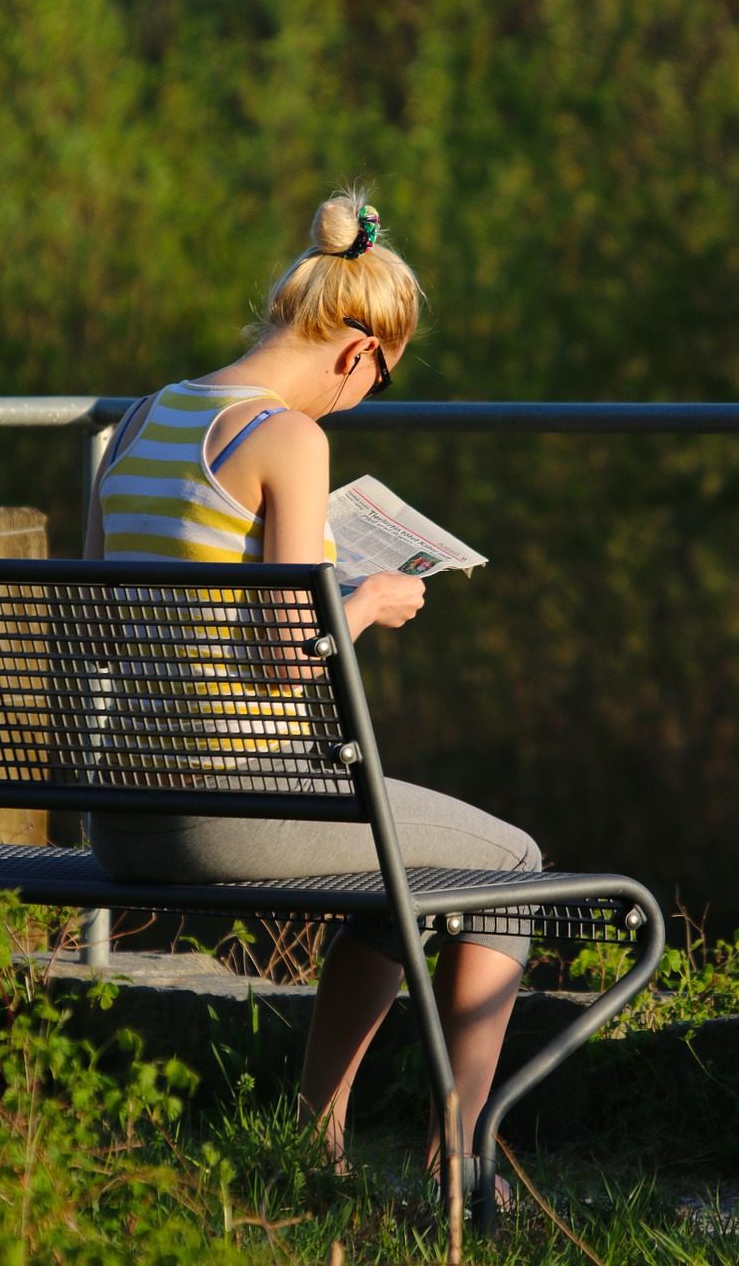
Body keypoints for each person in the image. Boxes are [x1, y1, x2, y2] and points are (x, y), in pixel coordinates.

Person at [83, 188, 541, 1197]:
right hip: (227, 812)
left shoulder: (142, 417)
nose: (366, 397)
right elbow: (289, 662)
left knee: (403, 865)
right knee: (508, 863)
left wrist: (308, 598)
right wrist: (366, 599)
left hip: (120, 816)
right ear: (358, 351)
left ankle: (315, 1146)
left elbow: (110, 618)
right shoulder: (289, 437)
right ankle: (459, 1168)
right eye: (383, 377)